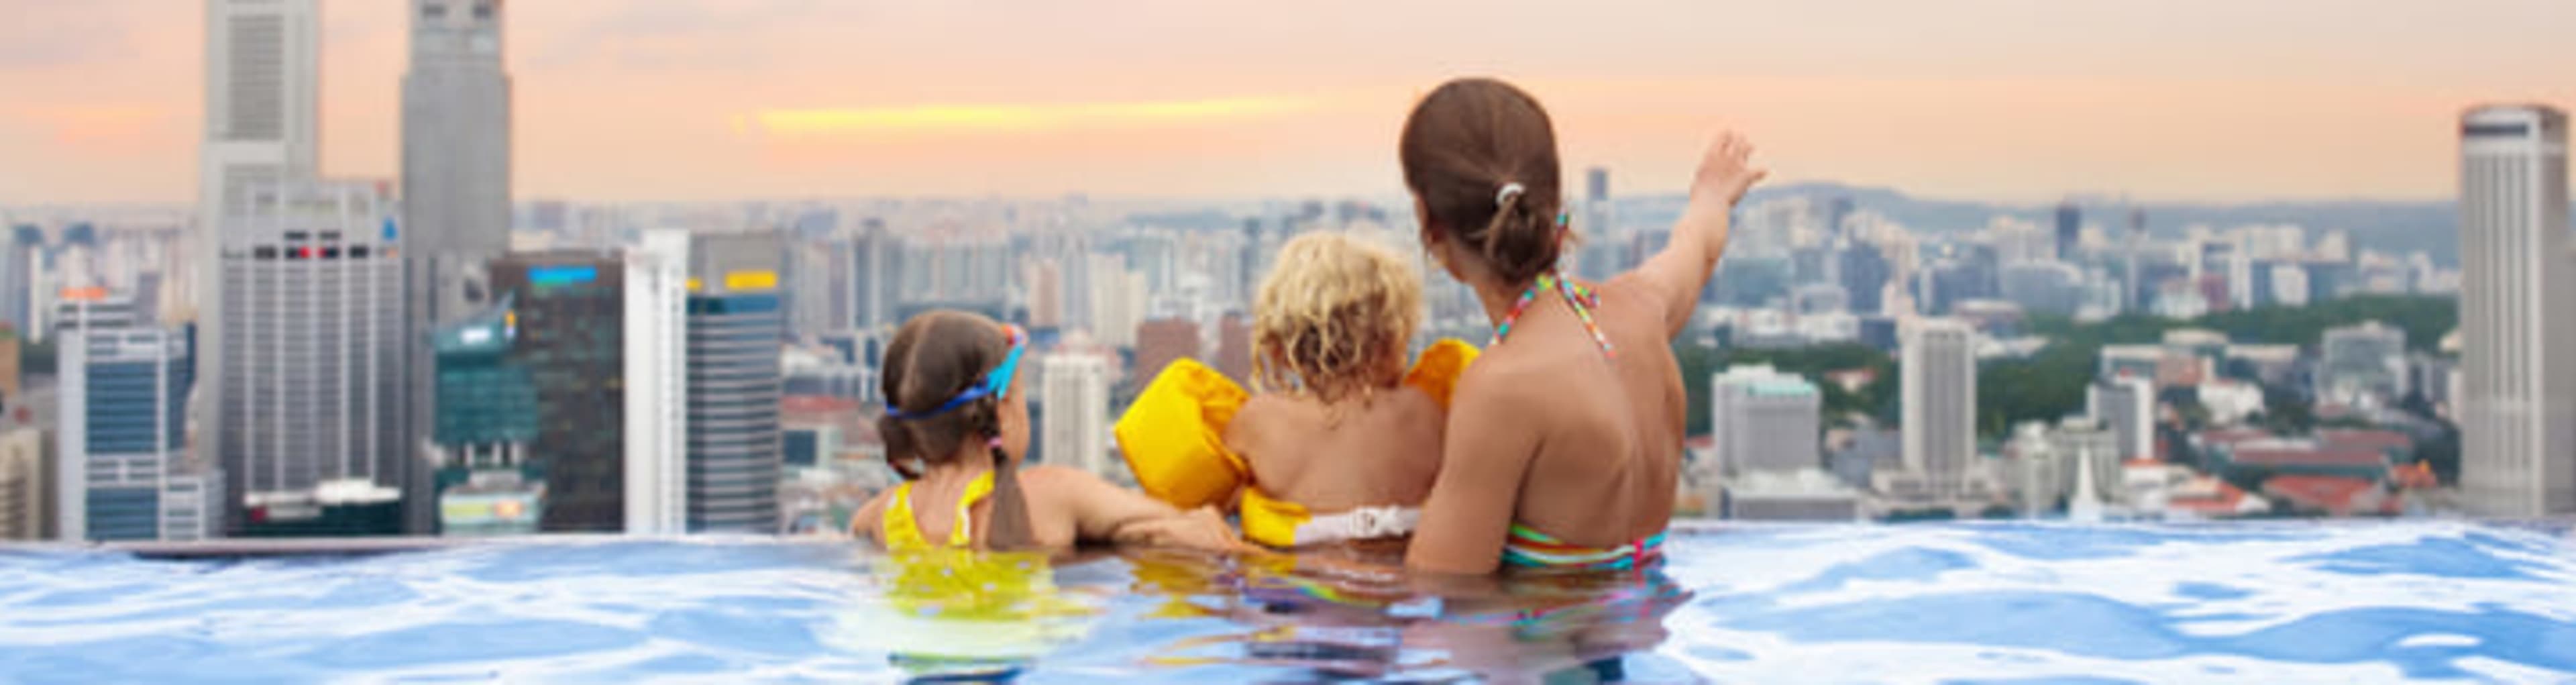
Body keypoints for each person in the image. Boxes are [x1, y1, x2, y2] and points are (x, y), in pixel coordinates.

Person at [1397, 77, 1765, 574]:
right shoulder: (1641, 308)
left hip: (1555, 647)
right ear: (1551, 198)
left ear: (1430, 224)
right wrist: (1711, 194)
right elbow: (1696, 244)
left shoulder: (1502, 386)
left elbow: (1442, 587)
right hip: (1650, 622)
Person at [1118, 232, 1478, 549]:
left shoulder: (1260, 422)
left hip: (1299, 598)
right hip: (1406, 597)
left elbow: (1212, 505)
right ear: (1393, 338)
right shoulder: (1426, 413)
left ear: (1279, 348)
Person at [850, 310, 1240, 554]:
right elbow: (1198, 528)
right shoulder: (1055, 493)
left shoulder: (882, 514)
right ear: (1001, 409)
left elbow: (850, 538)